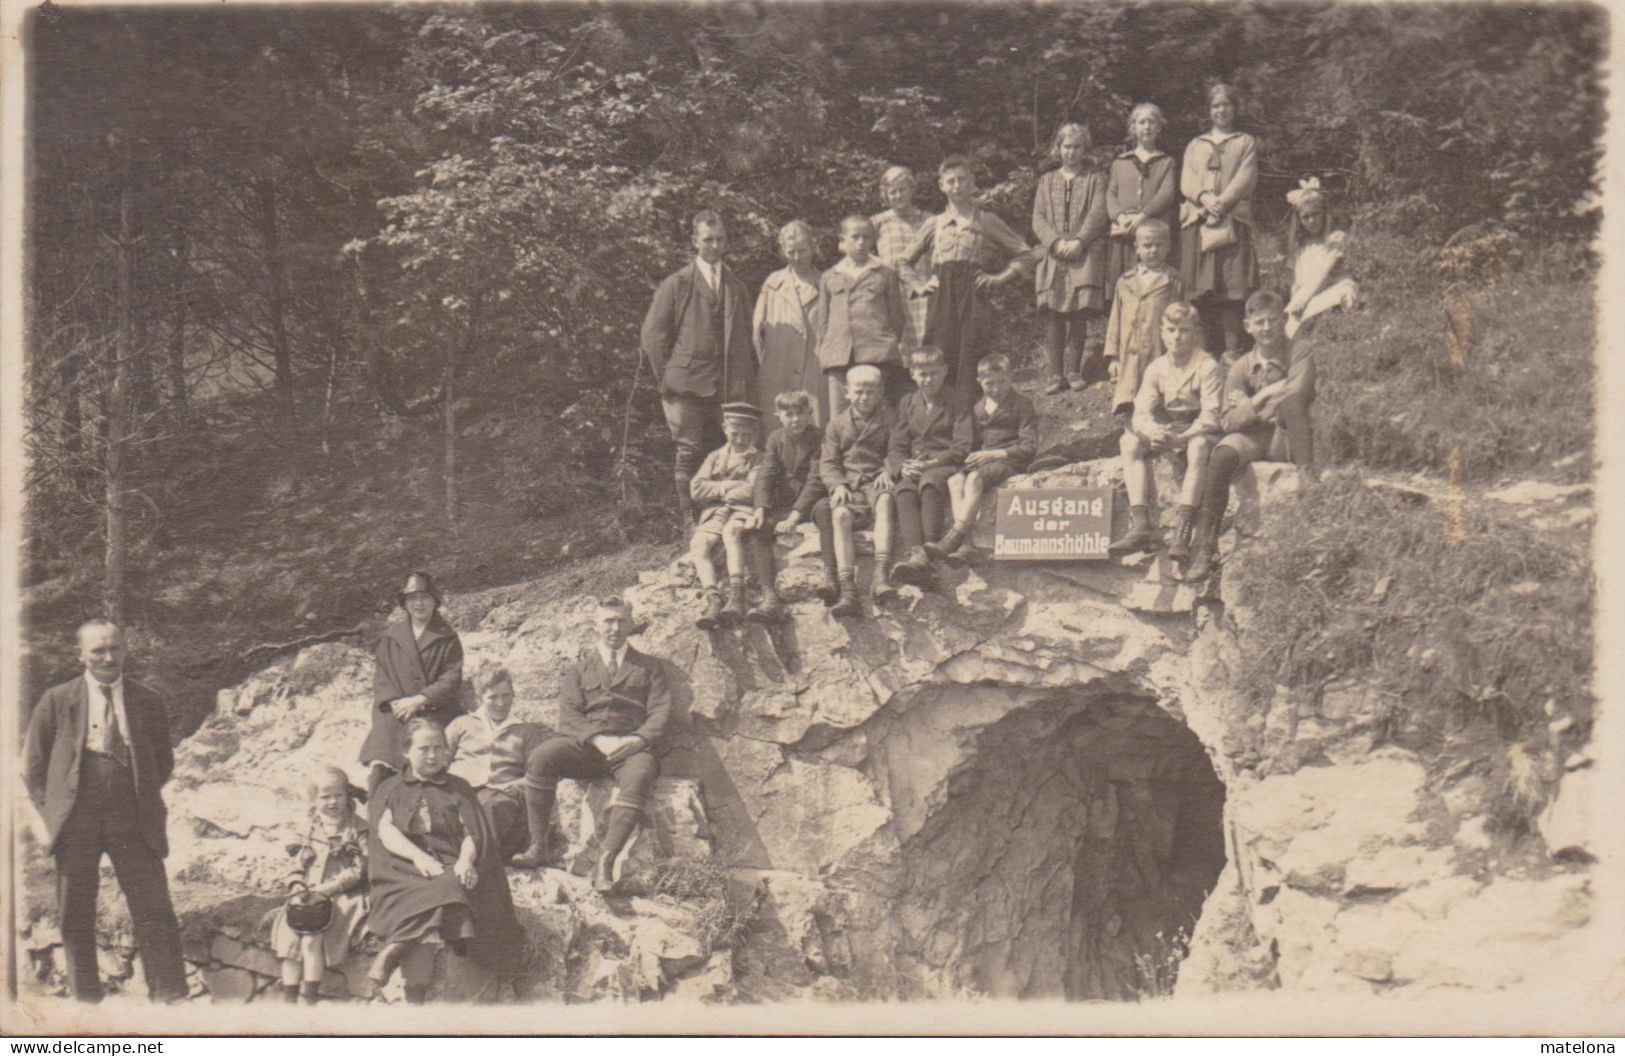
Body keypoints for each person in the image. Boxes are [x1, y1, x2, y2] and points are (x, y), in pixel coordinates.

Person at [23, 619, 188, 1003]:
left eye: (114, 648)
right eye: (98, 650)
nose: (108, 657)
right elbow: (32, 767)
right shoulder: (57, 699)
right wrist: (52, 817)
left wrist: (135, 791)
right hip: (76, 817)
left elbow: (163, 761)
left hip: (132, 815)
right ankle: (87, 1000)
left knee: (153, 904)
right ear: (80, 655)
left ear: (126, 650)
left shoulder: (148, 700)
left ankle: (169, 995)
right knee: (75, 909)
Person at [511, 597, 671, 894]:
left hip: (630, 748)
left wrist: (637, 740)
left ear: (631, 624)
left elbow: (660, 712)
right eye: (608, 621)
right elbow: (569, 716)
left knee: (641, 774)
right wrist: (598, 739)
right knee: (543, 756)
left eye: (621, 620)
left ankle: (606, 863)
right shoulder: (579, 670)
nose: (614, 627)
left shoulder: (650, 667)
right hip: (589, 746)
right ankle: (538, 845)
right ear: (596, 625)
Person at [366, 718, 521, 1003]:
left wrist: (465, 861)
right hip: (403, 870)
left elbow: (474, 832)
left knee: (451, 884)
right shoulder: (389, 788)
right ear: (406, 752)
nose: (433, 755)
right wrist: (419, 858)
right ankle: (415, 995)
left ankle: (397, 948)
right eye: (424, 749)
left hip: (449, 863)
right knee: (441, 895)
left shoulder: (458, 787)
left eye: (439, 748)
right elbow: (384, 832)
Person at [1183, 290, 1315, 582]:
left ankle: (1309, 488)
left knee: (1292, 407)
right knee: (1221, 456)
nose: (1266, 328)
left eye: (1272, 321)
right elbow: (1228, 420)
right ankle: (1207, 549)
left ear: (1284, 321)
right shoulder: (1240, 366)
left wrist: (1252, 405)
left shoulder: (1300, 351)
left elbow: (1297, 393)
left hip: (1287, 433)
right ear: (1248, 326)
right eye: (1259, 322)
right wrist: (1263, 397)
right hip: (1253, 435)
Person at [641, 210, 758, 524]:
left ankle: (724, 513)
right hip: (685, 383)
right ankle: (688, 520)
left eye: (720, 239)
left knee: (729, 447)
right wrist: (667, 376)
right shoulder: (677, 283)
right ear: (695, 241)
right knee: (689, 450)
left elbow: (748, 337)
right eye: (708, 240)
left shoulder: (736, 286)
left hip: (727, 384)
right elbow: (654, 335)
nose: (715, 246)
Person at [904, 155, 1036, 396]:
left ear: (972, 182)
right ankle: (939, 422)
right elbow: (903, 261)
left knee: (972, 353)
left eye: (962, 180)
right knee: (938, 355)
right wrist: (919, 285)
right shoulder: (934, 224)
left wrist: (997, 279)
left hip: (974, 297)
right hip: (941, 298)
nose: (957, 186)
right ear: (941, 186)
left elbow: (1026, 255)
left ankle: (971, 423)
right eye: (950, 181)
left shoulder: (987, 221)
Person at [1107, 301, 1223, 561]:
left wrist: (1184, 436)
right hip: (1169, 426)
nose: (1177, 337)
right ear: (1162, 332)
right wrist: (1154, 432)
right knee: (1129, 443)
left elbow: (1211, 414)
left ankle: (1182, 530)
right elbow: (1141, 412)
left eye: (1183, 330)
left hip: (1198, 428)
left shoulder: (1207, 366)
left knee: (1198, 448)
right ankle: (1141, 524)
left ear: (1195, 332)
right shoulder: (1157, 367)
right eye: (1171, 330)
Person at [266, 766, 369, 1005]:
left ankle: (308, 997)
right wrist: (296, 883)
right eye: (325, 796)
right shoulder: (309, 828)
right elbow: (297, 863)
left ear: (347, 795)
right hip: (308, 892)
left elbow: (359, 870)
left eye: (338, 795)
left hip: (343, 894)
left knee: (312, 937)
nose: (333, 802)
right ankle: (288, 998)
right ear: (314, 799)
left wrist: (328, 889)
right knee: (291, 935)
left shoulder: (358, 828)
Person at [928, 353, 1039, 563]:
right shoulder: (977, 407)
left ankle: (955, 537)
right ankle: (967, 545)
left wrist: (992, 454)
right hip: (985, 461)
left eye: (1002, 382)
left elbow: (1030, 446)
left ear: (1011, 378)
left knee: (973, 479)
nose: (996, 389)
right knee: (955, 480)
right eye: (990, 384)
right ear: (979, 382)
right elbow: (973, 441)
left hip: (1010, 460)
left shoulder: (1022, 404)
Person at [361, 572, 464, 796]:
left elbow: (451, 678)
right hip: (397, 711)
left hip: (434, 710)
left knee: (430, 750)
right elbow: (382, 676)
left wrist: (420, 700)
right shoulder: (391, 637)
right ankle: (377, 811)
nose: (419, 604)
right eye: (412, 598)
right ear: (405, 603)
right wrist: (398, 703)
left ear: (434, 601)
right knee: (383, 753)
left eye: (424, 597)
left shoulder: (447, 637)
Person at [1179, 82, 1260, 364]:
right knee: (1201, 287)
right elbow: (1187, 179)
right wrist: (1204, 199)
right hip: (1200, 220)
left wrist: (1222, 203)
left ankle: (1232, 348)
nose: (1221, 110)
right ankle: (1204, 348)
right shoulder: (1195, 145)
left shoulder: (1244, 142)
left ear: (1235, 108)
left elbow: (1245, 177)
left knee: (1232, 286)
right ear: (1209, 110)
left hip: (1233, 219)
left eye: (1226, 104)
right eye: (1216, 105)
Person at [812, 365, 900, 616]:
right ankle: (848, 588)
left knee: (884, 500)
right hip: (850, 485)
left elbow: (897, 450)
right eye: (859, 392)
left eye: (870, 392)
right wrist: (837, 484)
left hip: (876, 481)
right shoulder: (836, 425)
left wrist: (888, 470)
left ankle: (880, 576)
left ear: (881, 392)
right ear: (846, 392)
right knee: (839, 515)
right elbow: (828, 463)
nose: (864, 398)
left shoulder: (890, 420)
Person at [1032, 122, 1110, 394]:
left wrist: (1079, 241)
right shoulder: (1046, 181)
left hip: (1083, 252)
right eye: (1066, 146)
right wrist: (1054, 242)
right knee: (1055, 315)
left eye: (1077, 147)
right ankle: (1055, 373)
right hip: (1054, 254)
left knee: (1078, 313)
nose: (1071, 152)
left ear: (1084, 149)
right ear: (1058, 148)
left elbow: (1098, 212)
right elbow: (1038, 218)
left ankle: (1075, 370)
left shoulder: (1095, 178)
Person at [887, 346, 971, 589]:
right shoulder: (907, 402)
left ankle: (931, 547)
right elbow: (897, 445)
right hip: (915, 464)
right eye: (922, 374)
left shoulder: (958, 400)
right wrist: (903, 467)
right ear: (912, 374)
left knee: (930, 482)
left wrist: (931, 463)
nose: (928, 380)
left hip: (944, 463)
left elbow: (962, 446)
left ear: (944, 371)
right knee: (903, 489)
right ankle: (917, 555)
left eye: (934, 373)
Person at [445, 665, 549, 858]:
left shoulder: (525, 731)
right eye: (493, 697)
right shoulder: (462, 724)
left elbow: (537, 775)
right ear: (479, 699)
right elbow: (441, 760)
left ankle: (477, 863)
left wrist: (514, 785)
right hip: (460, 790)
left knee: (491, 807)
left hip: (502, 795)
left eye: (506, 695)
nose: (501, 703)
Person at [812, 215, 909, 414]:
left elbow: (897, 319)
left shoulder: (885, 274)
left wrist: (881, 345)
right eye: (855, 237)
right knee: (840, 413)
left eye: (866, 237)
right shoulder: (830, 276)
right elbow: (823, 322)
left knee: (879, 412)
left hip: (877, 355)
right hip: (839, 356)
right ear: (843, 240)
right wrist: (828, 350)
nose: (861, 243)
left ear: (873, 241)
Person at [747, 389, 826, 623]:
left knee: (825, 513)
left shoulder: (819, 438)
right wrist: (760, 507)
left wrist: (794, 516)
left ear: (810, 413)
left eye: (800, 413)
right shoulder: (776, 438)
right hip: (784, 502)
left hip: (811, 502)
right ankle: (769, 596)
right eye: (788, 414)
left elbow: (816, 479)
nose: (794, 420)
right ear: (778, 416)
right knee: (757, 529)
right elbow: (766, 474)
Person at [688, 401, 765, 629]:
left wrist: (721, 490)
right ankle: (713, 598)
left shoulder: (758, 458)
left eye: (746, 434)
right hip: (715, 512)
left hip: (742, 511)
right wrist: (727, 486)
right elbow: (696, 489)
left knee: (732, 534)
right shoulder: (715, 457)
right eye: (735, 433)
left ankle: (736, 595)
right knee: (699, 543)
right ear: (724, 429)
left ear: (755, 432)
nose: (740, 439)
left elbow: (752, 490)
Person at [1104, 219, 1185, 428]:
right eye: (1147, 245)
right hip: (1129, 352)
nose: (1153, 250)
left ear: (1168, 247)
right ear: (1137, 249)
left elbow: (1182, 318)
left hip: (1158, 349)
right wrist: (1113, 356)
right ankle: (1130, 431)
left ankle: (1157, 431)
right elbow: (1115, 320)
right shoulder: (1125, 281)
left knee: (1156, 396)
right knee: (1131, 394)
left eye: (1159, 245)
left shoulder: (1174, 281)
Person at [1105, 103, 1179, 306]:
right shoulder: (1121, 163)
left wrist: (1142, 217)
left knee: (1154, 290)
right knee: (1125, 288)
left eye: (1151, 122)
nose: (1146, 127)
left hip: (1153, 232)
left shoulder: (1166, 162)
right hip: (1125, 234)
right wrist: (1120, 217)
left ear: (1159, 127)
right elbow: (1111, 194)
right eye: (1141, 122)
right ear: (1133, 127)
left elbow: (1167, 193)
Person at [753, 220, 827, 423]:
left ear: (813, 247)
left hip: (814, 371)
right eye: (790, 252)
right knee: (777, 429)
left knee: (813, 428)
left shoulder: (826, 283)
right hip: (779, 370)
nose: (797, 258)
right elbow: (757, 333)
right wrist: (770, 364)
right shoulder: (773, 284)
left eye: (802, 251)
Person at [1283, 177, 1357, 339]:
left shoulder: (1335, 239)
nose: (1311, 221)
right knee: (1291, 328)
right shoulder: (1300, 246)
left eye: (1316, 215)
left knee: (1335, 298)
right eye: (1306, 217)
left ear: (1325, 214)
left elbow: (1325, 275)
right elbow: (1296, 283)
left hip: (1332, 287)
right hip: (1308, 293)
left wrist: (1303, 301)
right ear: (1299, 219)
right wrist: (1294, 305)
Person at [870, 165, 934, 348]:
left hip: (923, 291)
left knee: (925, 343)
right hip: (893, 294)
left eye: (902, 190)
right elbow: (861, 253)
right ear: (885, 195)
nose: (898, 196)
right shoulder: (878, 223)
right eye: (892, 192)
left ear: (912, 190)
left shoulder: (929, 221)